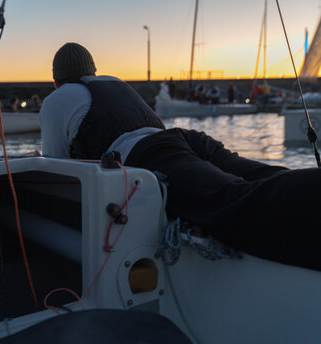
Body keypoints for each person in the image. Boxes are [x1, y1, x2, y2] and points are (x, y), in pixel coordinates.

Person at [39, 42, 321, 271]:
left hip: (154, 154)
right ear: (93, 71)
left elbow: (57, 166)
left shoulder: (58, 98)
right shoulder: (113, 84)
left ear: (56, 80)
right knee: (261, 175)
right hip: (182, 139)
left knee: (233, 200)